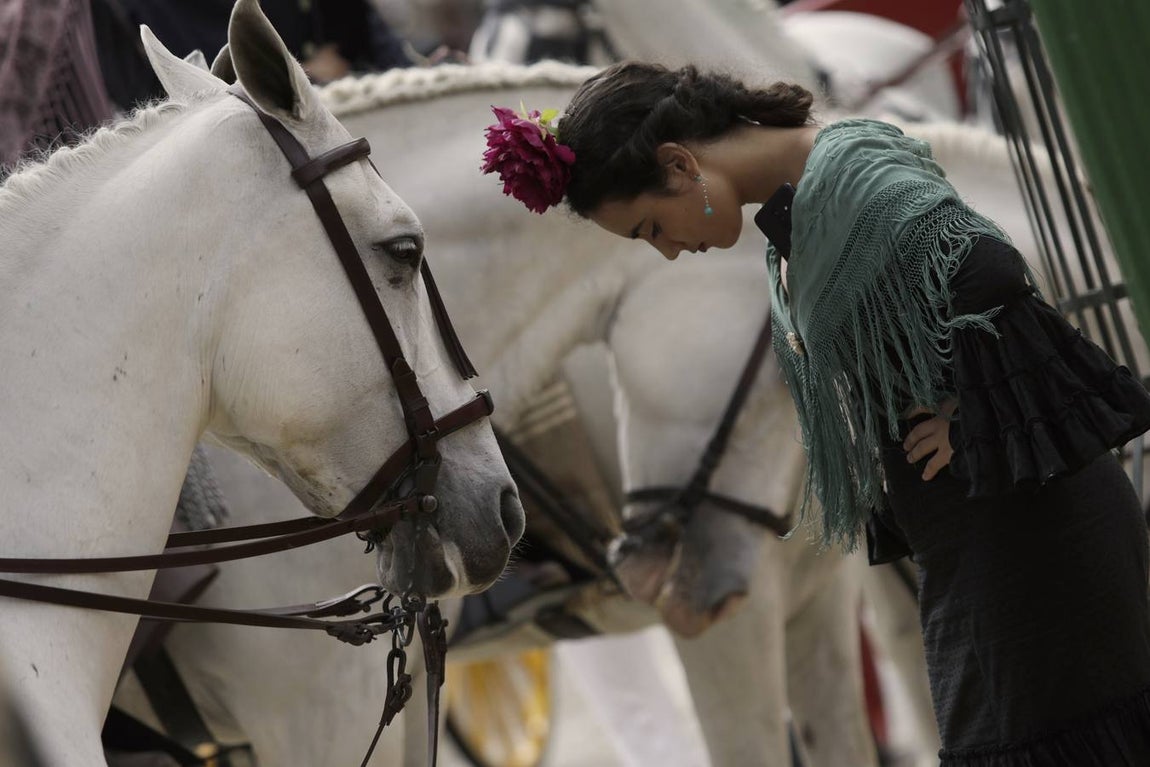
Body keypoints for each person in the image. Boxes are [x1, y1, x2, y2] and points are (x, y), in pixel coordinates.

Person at [480, 61, 1150, 764]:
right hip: (988, 533)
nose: (669, 249)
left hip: (1035, 538)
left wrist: (975, 417)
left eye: (652, 227)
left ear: (679, 163)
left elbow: (991, 270)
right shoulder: (809, 196)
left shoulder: (847, 176)